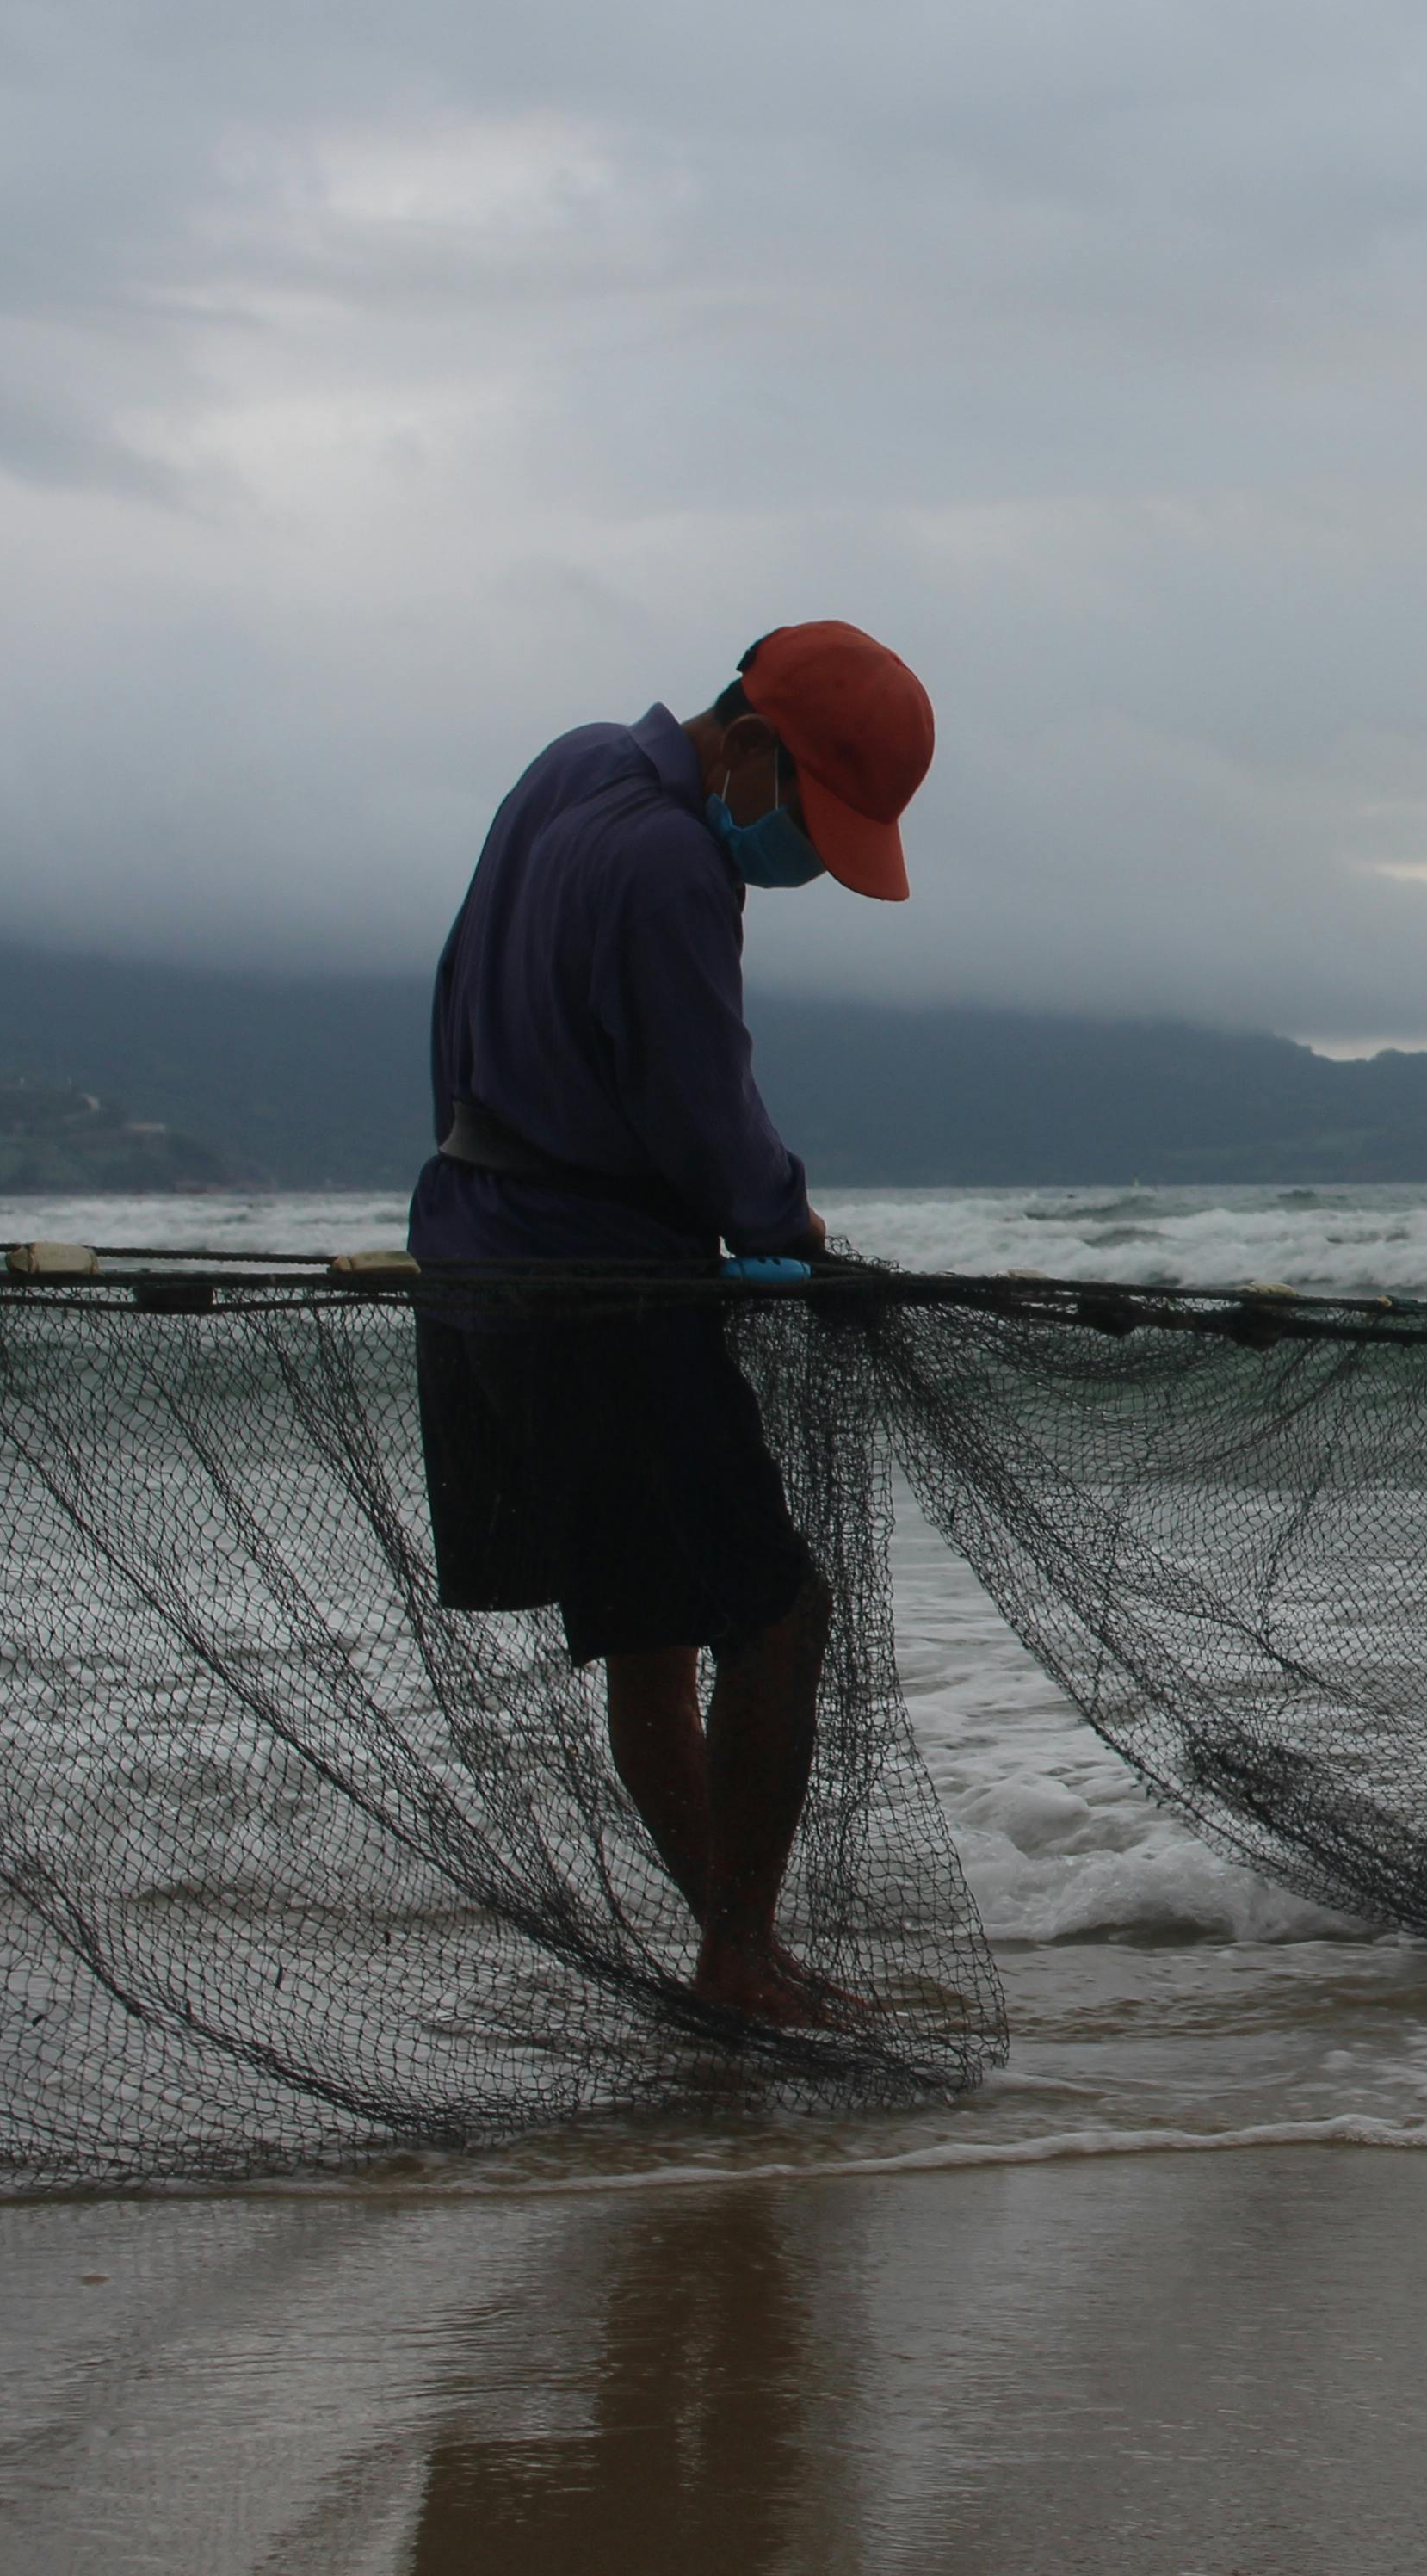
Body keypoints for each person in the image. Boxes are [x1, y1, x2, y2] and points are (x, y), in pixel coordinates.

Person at [409, 623, 934, 2023]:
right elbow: (701, 1104)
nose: (803, 861)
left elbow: (457, 998)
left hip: (479, 1263)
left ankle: (730, 1953)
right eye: (812, 823)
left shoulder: (570, 766)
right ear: (749, 746)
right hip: (603, 1293)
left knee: (649, 1636)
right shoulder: (673, 864)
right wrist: (785, 1228)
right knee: (777, 1612)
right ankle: (742, 1958)